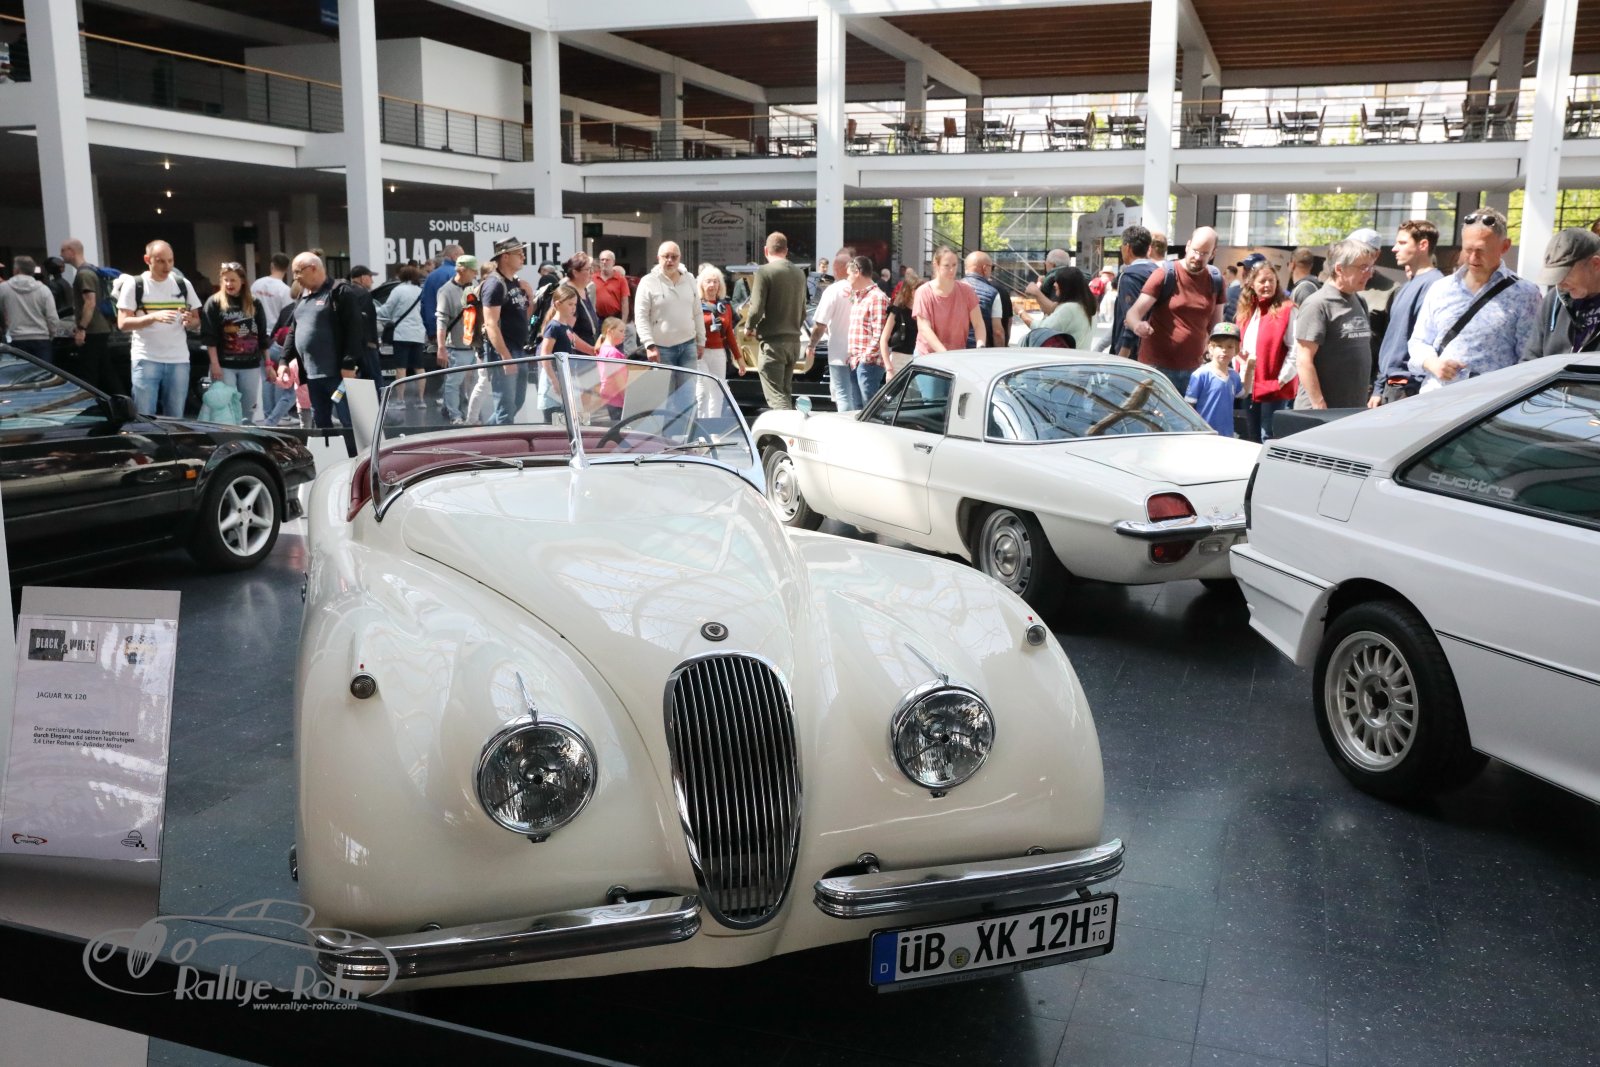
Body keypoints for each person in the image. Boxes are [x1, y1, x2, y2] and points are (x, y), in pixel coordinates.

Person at [1406, 207, 1539, 392]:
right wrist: (1434, 364)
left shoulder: (1525, 294)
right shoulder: (1441, 288)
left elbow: (1529, 359)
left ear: (1505, 246)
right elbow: (1419, 341)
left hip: (1489, 401)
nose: (1474, 257)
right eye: (1468, 249)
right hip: (1437, 396)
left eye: (1482, 250)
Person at [282, 252, 366, 455]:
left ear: (313, 268)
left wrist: (348, 362)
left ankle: (357, 460)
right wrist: (284, 360)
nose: (295, 278)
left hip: (338, 374)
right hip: (313, 375)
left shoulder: (339, 292)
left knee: (348, 421)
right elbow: (294, 330)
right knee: (321, 422)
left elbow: (355, 329)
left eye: (298, 272)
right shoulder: (303, 296)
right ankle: (331, 461)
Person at [1122, 226, 1224, 392]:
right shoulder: (1165, 274)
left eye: (1204, 253)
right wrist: (1137, 325)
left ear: (1213, 253)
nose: (1198, 257)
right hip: (1157, 368)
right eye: (1195, 251)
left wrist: (1217, 353)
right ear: (1188, 246)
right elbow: (1134, 313)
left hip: (1195, 369)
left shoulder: (1215, 279)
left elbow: (1216, 327)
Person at [116, 240, 202, 416]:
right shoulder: (135, 284)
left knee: (176, 416)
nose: (167, 266)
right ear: (147, 260)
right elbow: (123, 323)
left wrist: (189, 321)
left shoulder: (182, 284)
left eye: (170, 260)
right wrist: (153, 317)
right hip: (146, 358)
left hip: (178, 359)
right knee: (144, 415)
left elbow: (196, 320)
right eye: (161, 261)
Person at [1292, 237, 1378, 410]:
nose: (1369, 273)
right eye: (1363, 267)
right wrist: (1319, 404)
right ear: (1339, 269)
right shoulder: (1317, 304)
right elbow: (1303, 360)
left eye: (1371, 267)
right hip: (1322, 412)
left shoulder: (1359, 301)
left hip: (1353, 410)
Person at [1369, 220, 1444, 406]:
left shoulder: (1435, 285)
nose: (1394, 249)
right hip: (1394, 385)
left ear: (1423, 245)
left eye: (1402, 243)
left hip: (1408, 388)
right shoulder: (1407, 286)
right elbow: (1393, 341)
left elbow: (1428, 341)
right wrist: (1380, 387)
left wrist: (1410, 387)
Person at [633, 240, 704, 414]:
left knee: (688, 398)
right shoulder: (648, 282)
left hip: (688, 346)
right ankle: (665, 432)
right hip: (661, 350)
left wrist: (701, 340)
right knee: (665, 399)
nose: (670, 260)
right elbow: (640, 316)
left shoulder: (690, 279)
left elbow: (697, 312)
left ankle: (687, 430)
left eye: (674, 257)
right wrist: (649, 344)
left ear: (680, 258)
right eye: (666, 256)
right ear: (658, 258)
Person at [744, 232, 807, 410]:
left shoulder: (764, 272)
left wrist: (749, 326)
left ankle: (787, 425)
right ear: (786, 251)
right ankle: (791, 423)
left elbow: (756, 308)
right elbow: (803, 312)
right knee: (785, 391)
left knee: (776, 396)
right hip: (793, 343)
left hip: (773, 344)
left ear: (766, 250)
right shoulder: (799, 274)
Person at [201, 261, 270, 423]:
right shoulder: (214, 302)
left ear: (243, 281)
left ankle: (245, 434)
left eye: (233, 280)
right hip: (224, 365)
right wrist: (214, 364)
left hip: (250, 364)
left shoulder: (254, 302)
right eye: (225, 280)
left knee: (248, 410)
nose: (229, 284)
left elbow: (262, 335)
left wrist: (268, 364)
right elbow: (209, 337)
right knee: (225, 408)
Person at [1236, 262, 1296, 440]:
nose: (1267, 285)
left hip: (1275, 387)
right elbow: (1238, 346)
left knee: (1268, 435)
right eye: (1262, 281)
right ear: (1252, 284)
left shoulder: (1287, 309)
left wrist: (1281, 380)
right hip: (1248, 385)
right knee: (1252, 434)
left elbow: (1295, 348)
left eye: (1271, 280)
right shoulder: (1246, 311)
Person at [480, 237, 535, 426]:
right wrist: (505, 357)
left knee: (516, 403)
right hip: (504, 352)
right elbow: (490, 324)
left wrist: (530, 297)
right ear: (504, 257)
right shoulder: (494, 284)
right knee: (505, 410)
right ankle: (499, 442)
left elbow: (524, 317)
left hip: (519, 349)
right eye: (519, 254)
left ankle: (483, 435)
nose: (523, 257)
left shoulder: (515, 283)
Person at [1524, 227, 1600, 361]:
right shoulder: (1554, 299)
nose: (1559, 284)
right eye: (1554, 277)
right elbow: (1530, 359)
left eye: (1565, 274)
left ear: (1596, 264)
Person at [805, 249, 860, 411]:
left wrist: (811, 345)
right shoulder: (863, 289)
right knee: (858, 395)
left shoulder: (832, 291)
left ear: (836, 269)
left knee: (843, 394)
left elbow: (820, 324)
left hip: (839, 353)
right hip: (861, 352)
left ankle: (847, 426)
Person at [434, 253, 481, 425]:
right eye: (473, 270)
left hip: (474, 345)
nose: (475, 274)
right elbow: (441, 321)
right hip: (456, 346)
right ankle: (455, 415)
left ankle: (465, 413)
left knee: (474, 382)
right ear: (462, 270)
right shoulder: (446, 291)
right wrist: (441, 347)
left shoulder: (474, 288)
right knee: (454, 382)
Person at [60, 238, 112, 391]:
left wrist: (82, 328)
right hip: (101, 327)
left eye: (63, 250)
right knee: (105, 371)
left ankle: (90, 400)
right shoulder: (91, 270)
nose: (60, 254)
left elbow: (90, 302)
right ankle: (121, 399)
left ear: (71, 251)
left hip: (93, 330)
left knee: (89, 373)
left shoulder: (84, 274)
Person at [913, 247, 985, 355]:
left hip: (957, 354)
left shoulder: (967, 291)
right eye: (946, 265)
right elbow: (924, 328)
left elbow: (978, 323)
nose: (952, 270)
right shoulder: (923, 292)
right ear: (936, 265)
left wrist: (980, 345)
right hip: (927, 355)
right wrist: (945, 354)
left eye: (954, 265)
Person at [378, 264, 428, 409]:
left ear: (401, 276)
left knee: (401, 368)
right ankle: (421, 400)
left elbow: (386, 310)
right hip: (418, 334)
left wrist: (375, 311)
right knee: (419, 368)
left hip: (401, 334)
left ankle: (400, 401)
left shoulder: (398, 290)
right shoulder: (420, 291)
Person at [1186, 323, 1248, 438]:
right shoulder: (1200, 374)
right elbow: (1189, 406)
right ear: (1211, 348)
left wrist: (1250, 369)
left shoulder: (1234, 376)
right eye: (1219, 346)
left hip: (1227, 434)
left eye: (1230, 347)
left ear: (1236, 350)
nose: (1224, 350)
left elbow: (1243, 394)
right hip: (1204, 434)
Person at [696, 263, 742, 418]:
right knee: (702, 390)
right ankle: (700, 425)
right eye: (708, 281)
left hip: (719, 353)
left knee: (718, 391)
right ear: (701, 284)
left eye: (715, 281)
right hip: (700, 353)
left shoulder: (726, 306)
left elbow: (729, 334)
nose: (712, 285)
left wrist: (739, 358)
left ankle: (713, 425)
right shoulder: (695, 305)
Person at [1109, 226, 1159, 359]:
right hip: (1153, 347)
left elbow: (1131, 319)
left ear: (1127, 248)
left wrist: (1123, 353)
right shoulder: (1159, 273)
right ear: (1148, 248)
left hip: (1132, 352)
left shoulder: (1129, 276)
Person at [0, 255, 57, 363]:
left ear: (16, 270)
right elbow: (52, 317)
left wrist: (5, 328)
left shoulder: (4, 288)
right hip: (41, 339)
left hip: (16, 338)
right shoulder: (43, 289)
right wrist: (52, 334)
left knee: (21, 371)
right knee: (43, 370)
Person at [1033, 265, 1096, 347]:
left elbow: (1043, 327)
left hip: (1069, 354)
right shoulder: (1088, 305)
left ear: (1066, 286)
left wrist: (1021, 312)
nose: (1054, 284)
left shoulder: (1070, 308)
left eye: (1057, 281)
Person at [418, 243, 462, 359]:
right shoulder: (458, 275)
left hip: (435, 332)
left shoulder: (431, 276)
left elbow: (424, 306)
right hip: (457, 334)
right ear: (454, 256)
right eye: (462, 255)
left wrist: (431, 331)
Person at [962, 250, 1009, 348]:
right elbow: (998, 332)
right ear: (985, 268)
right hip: (979, 349)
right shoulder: (992, 293)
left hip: (953, 350)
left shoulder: (952, 288)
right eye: (991, 267)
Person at [344, 265, 383, 382]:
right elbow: (365, 320)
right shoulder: (363, 294)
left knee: (356, 379)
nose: (372, 281)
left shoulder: (346, 292)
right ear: (362, 278)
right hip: (366, 346)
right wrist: (370, 341)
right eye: (370, 277)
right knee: (374, 379)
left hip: (349, 345)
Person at [40, 256, 76, 363]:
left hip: (59, 322)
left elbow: (51, 305)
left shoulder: (52, 285)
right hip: (69, 320)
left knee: (57, 358)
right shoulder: (65, 282)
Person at [879, 278, 920, 370]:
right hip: (899, 360)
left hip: (918, 360)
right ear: (911, 292)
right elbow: (883, 339)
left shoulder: (922, 311)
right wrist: (888, 366)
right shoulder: (897, 311)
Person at [595, 317, 629, 420]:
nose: (624, 334)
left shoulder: (602, 349)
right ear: (610, 331)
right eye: (621, 331)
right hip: (618, 399)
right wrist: (628, 400)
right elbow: (619, 380)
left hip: (609, 397)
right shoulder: (613, 353)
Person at [251, 253, 293, 331]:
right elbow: (286, 318)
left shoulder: (256, 284)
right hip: (273, 333)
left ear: (271, 266)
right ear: (287, 269)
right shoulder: (286, 291)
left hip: (255, 330)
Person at [592, 249, 631, 324]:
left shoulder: (621, 279)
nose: (604, 262)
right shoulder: (593, 278)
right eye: (602, 260)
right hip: (597, 319)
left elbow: (625, 302)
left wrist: (623, 322)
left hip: (614, 319)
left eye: (607, 260)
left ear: (613, 262)